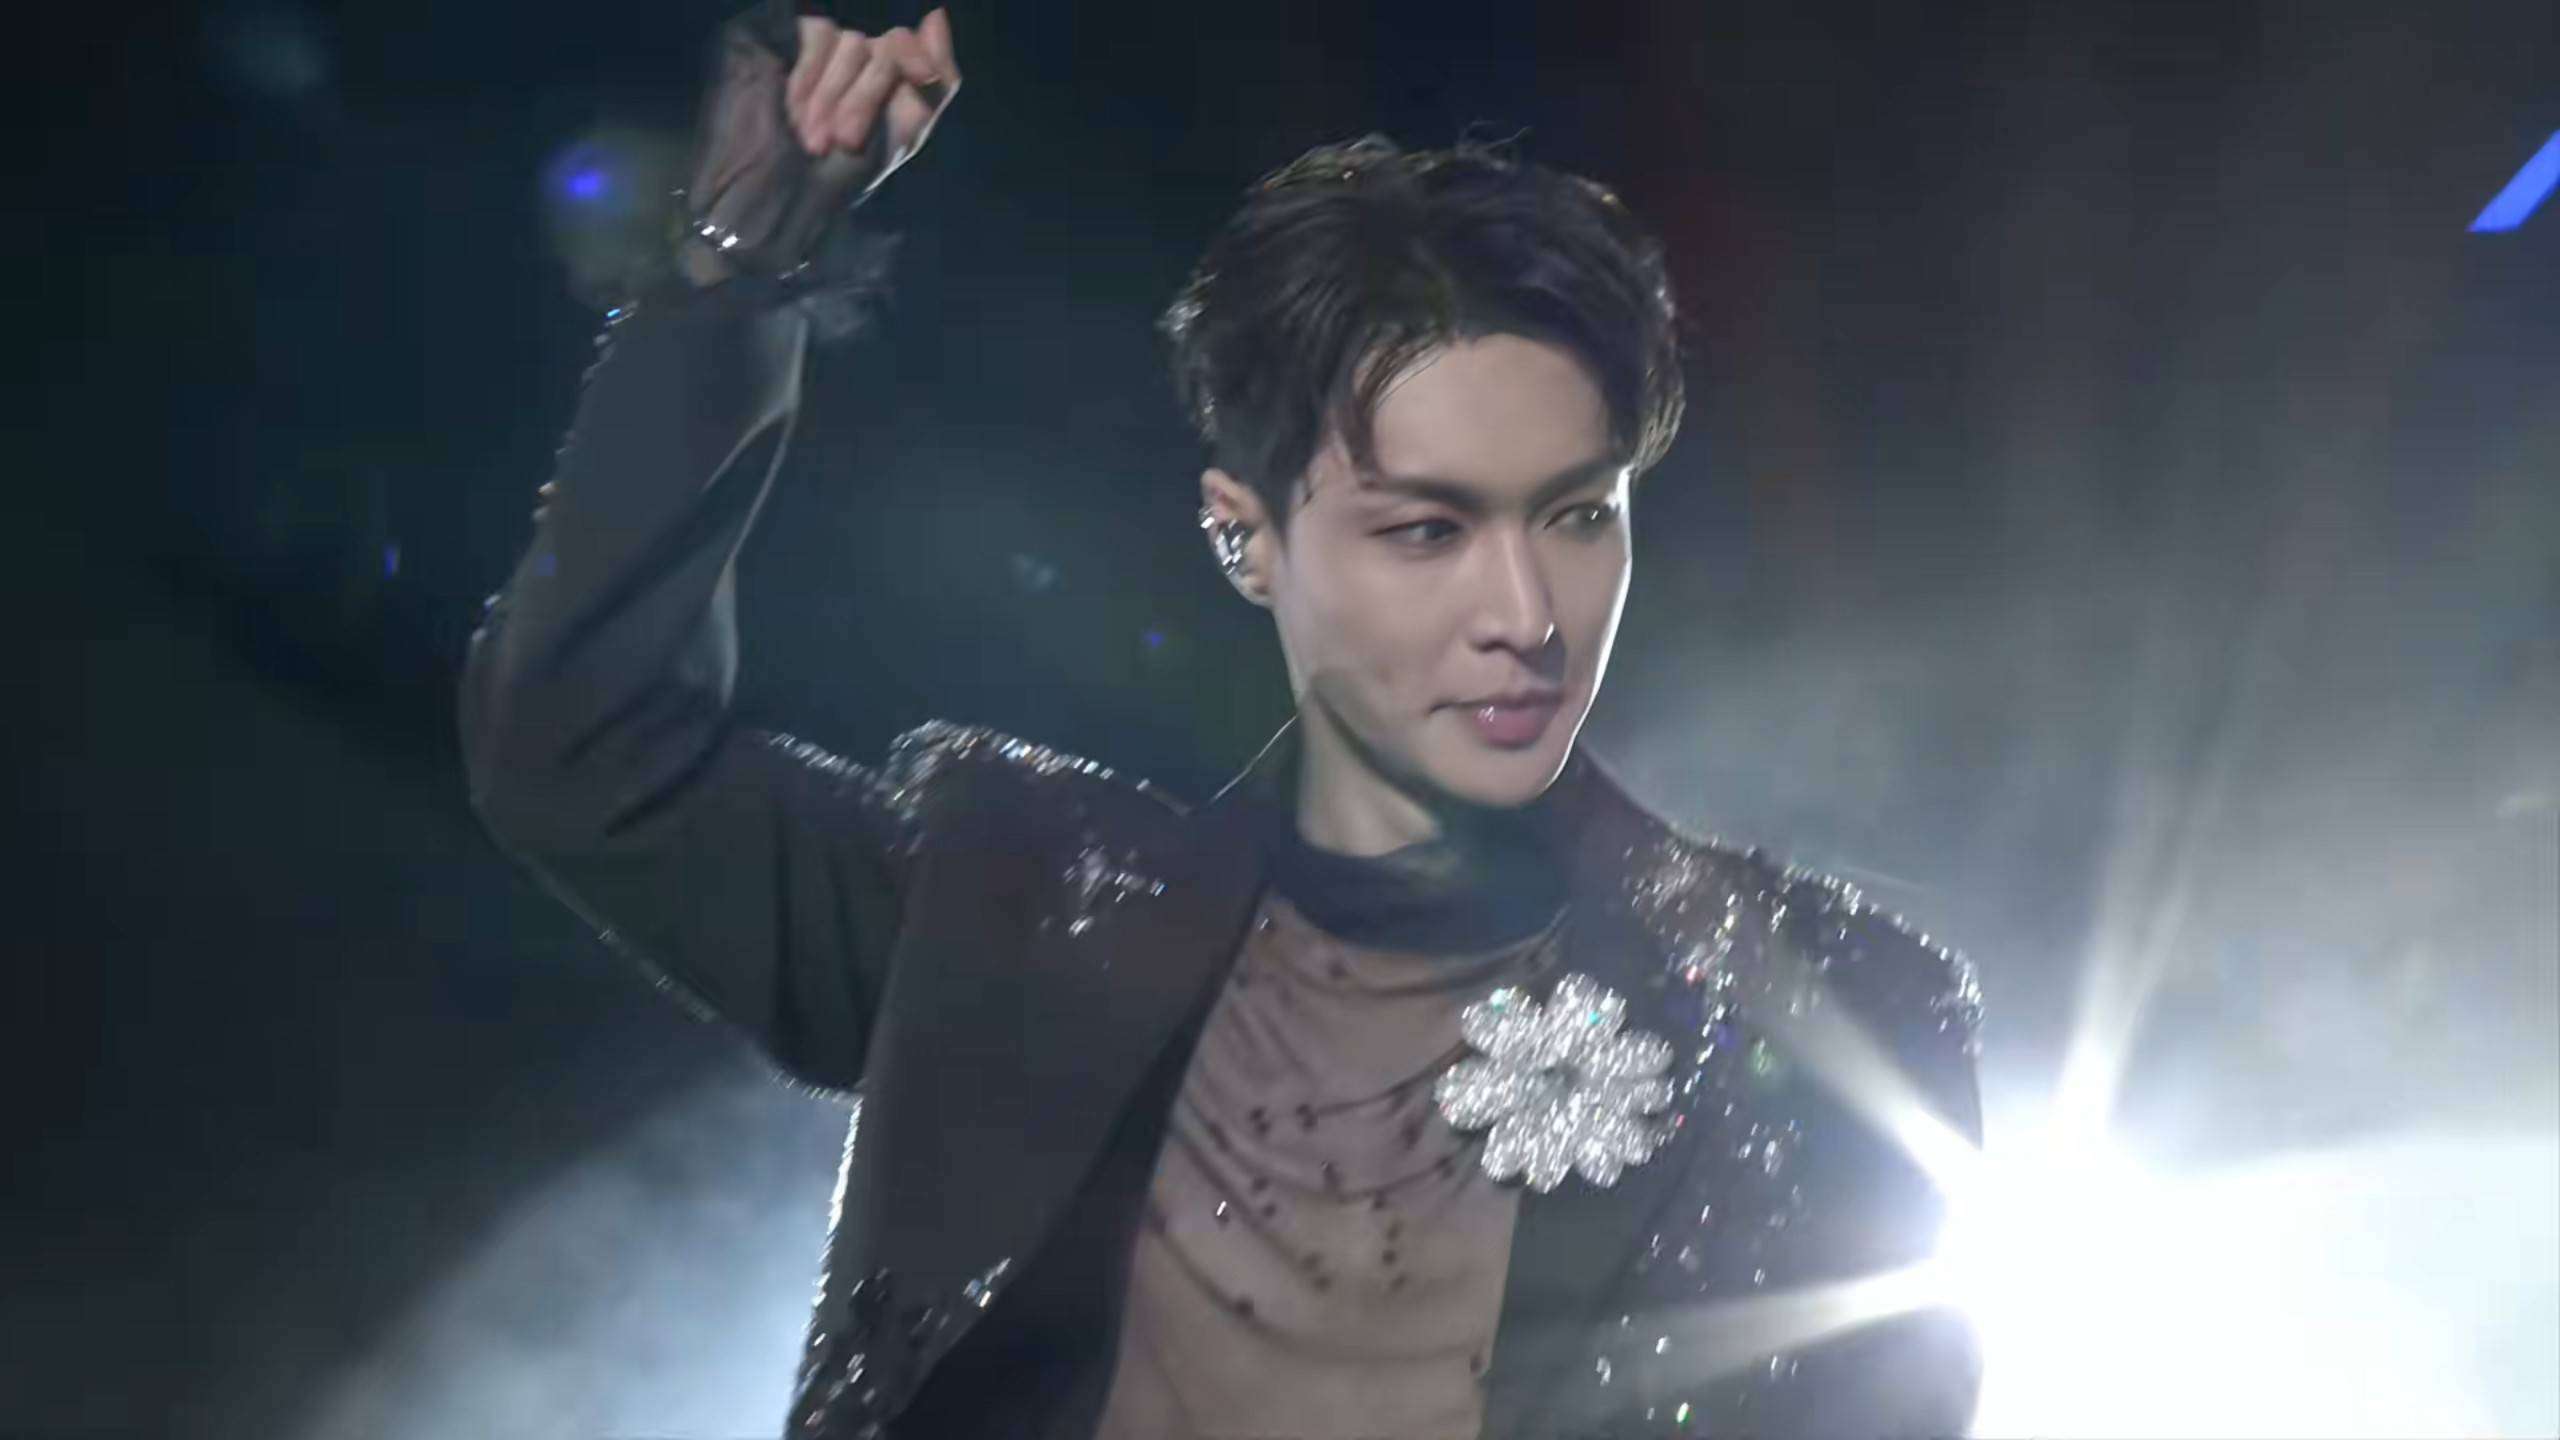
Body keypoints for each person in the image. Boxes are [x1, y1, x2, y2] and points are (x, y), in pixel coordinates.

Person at [462, 4, 1986, 1436]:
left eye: (1579, 516)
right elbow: (575, 750)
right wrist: (736, 271)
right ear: (1245, 536)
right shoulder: (1010, 899)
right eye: (1428, 530)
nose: (1527, 614)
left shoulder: (1833, 1019)